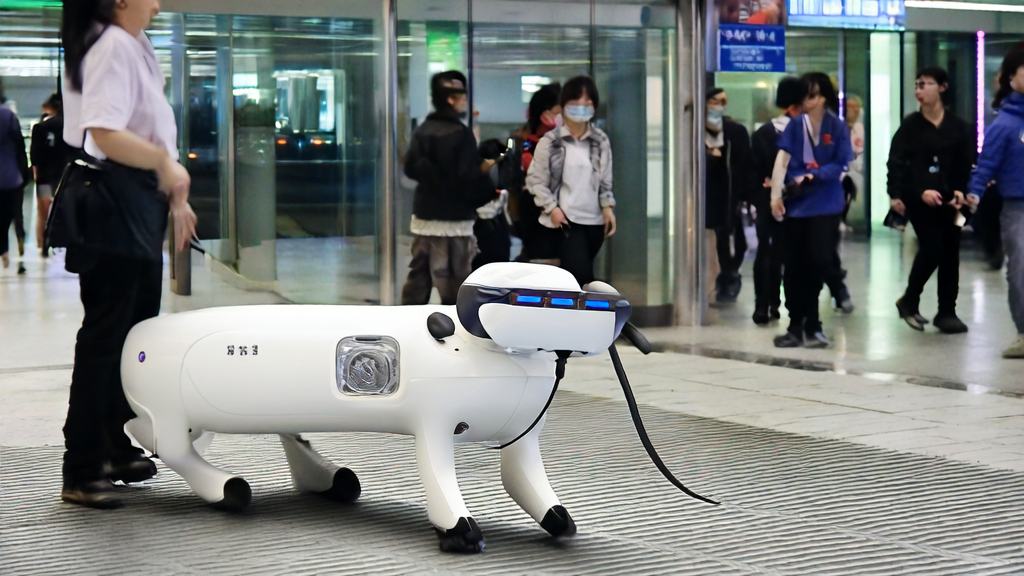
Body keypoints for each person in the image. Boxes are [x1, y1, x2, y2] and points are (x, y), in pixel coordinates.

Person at [59, 0, 197, 508]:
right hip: (115, 203)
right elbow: (105, 132)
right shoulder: (112, 44)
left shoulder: (135, 44)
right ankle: (82, 464)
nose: (158, 1)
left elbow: (149, 130)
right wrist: (164, 163)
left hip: (136, 202)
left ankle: (113, 446)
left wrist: (173, 191)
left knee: (132, 332)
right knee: (106, 335)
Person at [888, 67, 975, 334]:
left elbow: (967, 163)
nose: (919, 89)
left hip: (953, 202)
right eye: (917, 84)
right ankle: (910, 298)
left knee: (951, 252)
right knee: (932, 247)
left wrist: (962, 191)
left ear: (942, 88)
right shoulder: (911, 125)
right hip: (920, 200)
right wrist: (899, 194)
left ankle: (947, 311)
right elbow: (897, 163)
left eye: (925, 84)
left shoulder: (959, 127)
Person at [770, 73, 853, 348]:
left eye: (813, 95)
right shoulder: (795, 126)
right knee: (794, 266)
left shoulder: (837, 126)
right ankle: (795, 324)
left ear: (825, 98)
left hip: (826, 205)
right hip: (797, 206)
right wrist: (776, 195)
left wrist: (814, 175)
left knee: (818, 261)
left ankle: (813, 322)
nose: (808, 101)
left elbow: (841, 162)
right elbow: (782, 161)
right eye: (805, 95)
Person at [401, 70, 499, 305]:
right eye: (461, 95)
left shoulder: (423, 129)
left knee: (419, 275)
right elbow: (468, 176)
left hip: (426, 214)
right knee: (455, 279)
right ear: (450, 98)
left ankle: (408, 325)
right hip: (456, 218)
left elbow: (410, 167)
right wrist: (486, 175)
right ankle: (456, 331)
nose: (464, 100)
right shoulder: (460, 134)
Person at [525, 75, 616, 287]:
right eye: (575, 104)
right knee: (579, 275)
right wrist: (552, 209)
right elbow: (536, 181)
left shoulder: (600, 140)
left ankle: (582, 315)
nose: (581, 109)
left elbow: (605, 179)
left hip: (594, 221)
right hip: (567, 220)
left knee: (583, 273)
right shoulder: (550, 141)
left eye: (588, 104)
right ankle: (581, 317)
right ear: (564, 106)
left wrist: (608, 207)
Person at [967, 49, 1024, 358]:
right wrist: (973, 193)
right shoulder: (1004, 125)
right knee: (1020, 271)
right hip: (1018, 208)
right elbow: (986, 165)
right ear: (1010, 78)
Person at [750, 77, 802, 324]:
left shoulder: (763, 133)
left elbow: (753, 170)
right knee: (787, 252)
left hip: (766, 200)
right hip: (796, 201)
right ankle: (776, 304)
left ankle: (765, 304)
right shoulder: (803, 132)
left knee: (767, 250)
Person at [704, 87, 753, 303]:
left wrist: (743, 196)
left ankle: (730, 275)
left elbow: (743, 165)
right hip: (705, 192)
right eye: (715, 101)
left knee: (731, 239)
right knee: (714, 239)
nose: (719, 106)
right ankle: (718, 277)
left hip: (729, 194)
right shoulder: (694, 130)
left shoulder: (734, 131)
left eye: (723, 102)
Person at [510, 82, 561, 263]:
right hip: (533, 215)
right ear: (545, 114)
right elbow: (513, 183)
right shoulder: (522, 142)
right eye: (558, 112)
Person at [31, 92, 69, 258]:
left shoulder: (40, 127)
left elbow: (35, 156)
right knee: (62, 210)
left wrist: (36, 176)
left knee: (43, 213)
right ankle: (61, 242)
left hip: (44, 176)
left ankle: (43, 245)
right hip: (64, 176)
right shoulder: (69, 126)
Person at [0, 99, 30, 274]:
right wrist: (25, 175)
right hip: (12, 178)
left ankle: (3, 250)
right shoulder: (9, 116)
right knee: (16, 217)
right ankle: (21, 257)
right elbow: (20, 148)